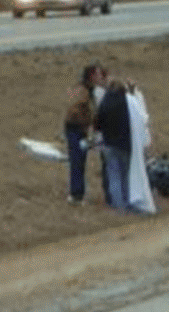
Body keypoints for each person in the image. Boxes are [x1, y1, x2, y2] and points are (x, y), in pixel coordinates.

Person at [93, 78, 156, 214]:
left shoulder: (105, 102)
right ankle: (129, 201)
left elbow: (97, 123)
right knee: (127, 175)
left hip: (109, 145)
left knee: (113, 175)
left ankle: (118, 205)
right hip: (124, 145)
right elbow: (138, 121)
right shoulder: (127, 103)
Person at [63, 63, 105, 205]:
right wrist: (86, 124)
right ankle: (76, 195)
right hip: (76, 130)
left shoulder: (90, 90)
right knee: (77, 161)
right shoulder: (83, 92)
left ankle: (78, 193)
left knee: (80, 162)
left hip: (80, 130)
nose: (101, 77)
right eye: (98, 74)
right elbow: (74, 111)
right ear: (92, 76)